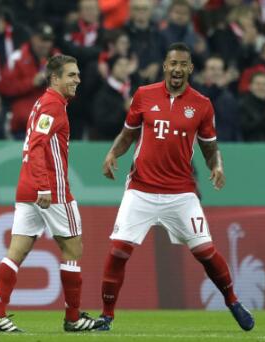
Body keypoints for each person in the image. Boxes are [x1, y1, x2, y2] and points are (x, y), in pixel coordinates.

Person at [96, 42, 255, 332]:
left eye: (184, 64)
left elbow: (210, 147)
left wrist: (217, 166)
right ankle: (106, 317)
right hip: (141, 188)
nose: (178, 69)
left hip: (181, 192)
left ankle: (232, 301)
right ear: (165, 66)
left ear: (191, 69)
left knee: (206, 252)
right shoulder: (144, 95)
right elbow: (128, 134)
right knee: (118, 250)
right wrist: (112, 154)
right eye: (173, 64)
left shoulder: (203, 104)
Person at [0, 54, 103, 333]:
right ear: (55, 79)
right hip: (50, 189)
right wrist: (44, 186)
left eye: (77, 74)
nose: (78, 80)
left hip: (28, 187)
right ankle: (73, 319)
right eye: (71, 75)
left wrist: (36, 185)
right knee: (73, 248)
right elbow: (37, 146)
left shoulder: (44, 102)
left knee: (17, 251)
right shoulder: (52, 105)